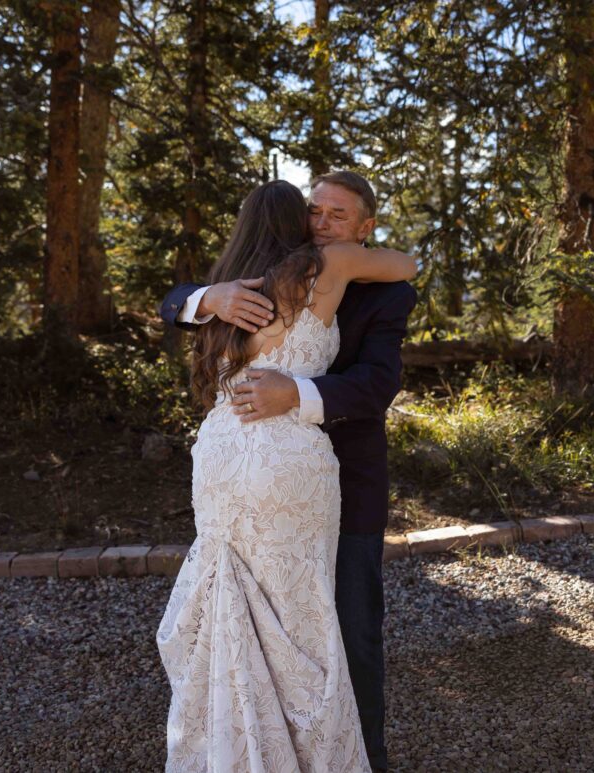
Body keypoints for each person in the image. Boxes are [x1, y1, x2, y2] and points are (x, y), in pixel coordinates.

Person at [159, 171, 417, 772]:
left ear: (364, 225)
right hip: (280, 466)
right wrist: (207, 296)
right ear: (295, 220)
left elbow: (377, 384)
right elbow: (173, 302)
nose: (322, 224)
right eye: (314, 212)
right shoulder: (239, 292)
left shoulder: (361, 289)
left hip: (266, 462)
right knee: (295, 624)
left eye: (336, 215)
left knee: (346, 630)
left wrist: (295, 392)